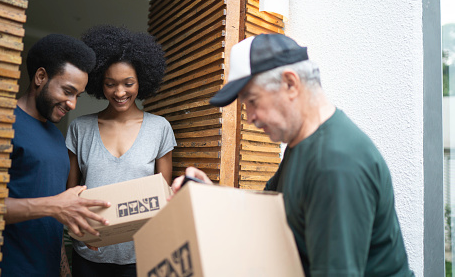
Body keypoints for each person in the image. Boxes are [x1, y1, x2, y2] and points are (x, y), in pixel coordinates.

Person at [171, 34, 414, 276]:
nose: (250, 117)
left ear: (290, 83)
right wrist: (209, 195)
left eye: (252, 101)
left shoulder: (335, 164)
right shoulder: (301, 144)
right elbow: (266, 212)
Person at [66, 25, 176, 277]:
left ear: (142, 81)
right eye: (110, 84)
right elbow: (70, 195)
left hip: (139, 255)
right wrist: (81, 233)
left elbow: (162, 197)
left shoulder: (159, 128)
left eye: (128, 83)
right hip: (89, 253)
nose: (119, 92)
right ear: (98, 83)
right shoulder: (80, 129)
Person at [0, 34, 111, 277]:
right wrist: (54, 206)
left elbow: (54, 217)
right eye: (68, 91)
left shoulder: (56, 137)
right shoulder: (2, 126)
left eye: (77, 96)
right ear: (40, 77)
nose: (72, 104)